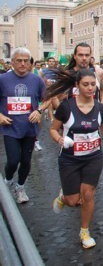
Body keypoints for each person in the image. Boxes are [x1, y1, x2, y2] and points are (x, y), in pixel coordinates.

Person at [46, 67, 103, 248]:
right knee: (73, 200)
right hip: (69, 159)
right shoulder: (66, 107)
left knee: (88, 195)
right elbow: (52, 129)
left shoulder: (99, 108)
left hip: (93, 158)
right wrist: (60, 139)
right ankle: (62, 198)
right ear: (77, 85)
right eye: (85, 85)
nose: (90, 88)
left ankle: (84, 231)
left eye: (93, 84)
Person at [0, 48, 46, 204]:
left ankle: (20, 188)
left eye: (26, 60)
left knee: (26, 161)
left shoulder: (36, 80)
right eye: (19, 60)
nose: (22, 63)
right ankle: (7, 181)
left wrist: (39, 111)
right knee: (13, 160)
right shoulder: (3, 79)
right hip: (10, 127)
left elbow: (47, 99)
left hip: (29, 128)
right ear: (12, 62)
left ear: (30, 63)